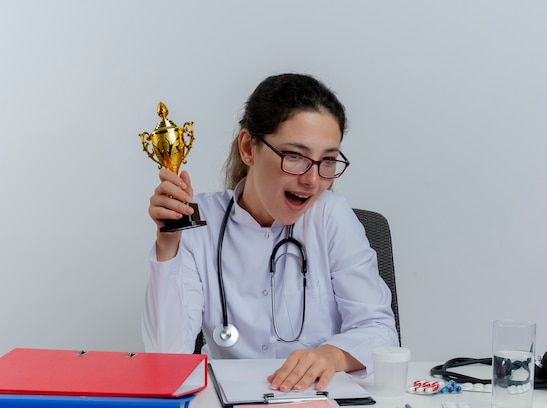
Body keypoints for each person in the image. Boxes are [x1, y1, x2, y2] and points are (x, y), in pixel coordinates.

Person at [142, 73, 398, 392]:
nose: (313, 180)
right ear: (249, 148)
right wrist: (168, 245)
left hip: (317, 399)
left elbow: (380, 330)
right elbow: (165, 356)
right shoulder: (199, 220)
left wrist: (332, 355)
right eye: (294, 156)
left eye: (328, 161)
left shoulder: (332, 215)